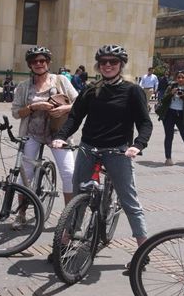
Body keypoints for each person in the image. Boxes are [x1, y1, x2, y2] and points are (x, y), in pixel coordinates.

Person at [52, 44, 153, 257]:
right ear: (98, 65)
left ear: (121, 65)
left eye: (113, 62)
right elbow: (75, 117)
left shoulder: (132, 90)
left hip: (118, 150)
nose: (108, 65)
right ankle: (65, 240)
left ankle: (143, 250)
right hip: (89, 148)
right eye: (104, 62)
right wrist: (61, 137)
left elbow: (145, 122)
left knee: (129, 199)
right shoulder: (90, 89)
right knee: (79, 194)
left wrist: (137, 144)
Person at [12, 46, 78, 224]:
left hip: (58, 133)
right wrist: (34, 107)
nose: (38, 64)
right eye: (34, 61)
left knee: (69, 173)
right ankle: (21, 213)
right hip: (32, 133)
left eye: (42, 60)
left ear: (48, 62)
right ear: (29, 65)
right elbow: (16, 113)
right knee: (25, 173)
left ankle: (68, 217)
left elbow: (80, 103)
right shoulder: (24, 87)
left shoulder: (61, 80)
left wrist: (65, 107)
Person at [156, 70, 184, 166]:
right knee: (169, 136)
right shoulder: (171, 86)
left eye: (183, 77)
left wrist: (183, 96)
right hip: (169, 114)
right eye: (178, 77)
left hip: (183, 115)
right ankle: (168, 158)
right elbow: (163, 99)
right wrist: (171, 93)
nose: (180, 79)